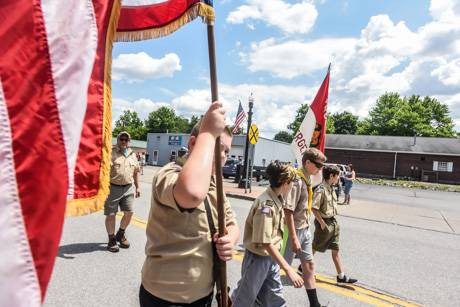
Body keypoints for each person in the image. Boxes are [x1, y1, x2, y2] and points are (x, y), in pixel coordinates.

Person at [139, 101, 240, 307]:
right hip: (165, 298)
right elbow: (191, 193)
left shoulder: (213, 183)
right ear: (195, 143)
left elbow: (231, 222)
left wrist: (230, 238)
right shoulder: (169, 173)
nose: (223, 156)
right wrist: (208, 134)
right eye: (217, 148)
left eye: (227, 152)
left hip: (202, 295)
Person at [232, 162, 304, 307]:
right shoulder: (266, 206)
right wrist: (288, 269)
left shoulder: (277, 200)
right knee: (244, 300)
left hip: (271, 258)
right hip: (258, 260)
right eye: (292, 183)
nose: (292, 186)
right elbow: (265, 242)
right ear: (284, 183)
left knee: (274, 298)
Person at [283, 148, 327, 307]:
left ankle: (315, 304)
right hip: (291, 231)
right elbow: (288, 211)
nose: (320, 168)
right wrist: (294, 237)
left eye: (322, 165)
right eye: (318, 165)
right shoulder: (297, 180)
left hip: (304, 229)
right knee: (279, 267)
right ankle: (263, 298)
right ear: (307, 162)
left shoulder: (308, 180)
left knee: (309, 265)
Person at [312, 165, 357, 285]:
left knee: (335, 249)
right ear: (331, 176)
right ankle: (303, 267)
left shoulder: (331, 188)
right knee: (315, 247)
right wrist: (322, 224)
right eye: (337, 176)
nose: (339, 178)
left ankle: (341, 276)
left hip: (333, 222)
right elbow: (314, 208)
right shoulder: (321, 189)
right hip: (324, 222)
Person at [104, 131, 141, 252]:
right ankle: (111, 239)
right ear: (118, 140)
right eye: (122, 139)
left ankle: (120, 233)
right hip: (112, 187)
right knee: (111, 214)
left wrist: (138, 187)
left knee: (129, 212)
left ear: (129, 142)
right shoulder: (111, 153)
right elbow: (103, 170)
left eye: (126, 140)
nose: (124, 142)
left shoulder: (132, 155)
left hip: (128, 188)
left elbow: (136, 172)